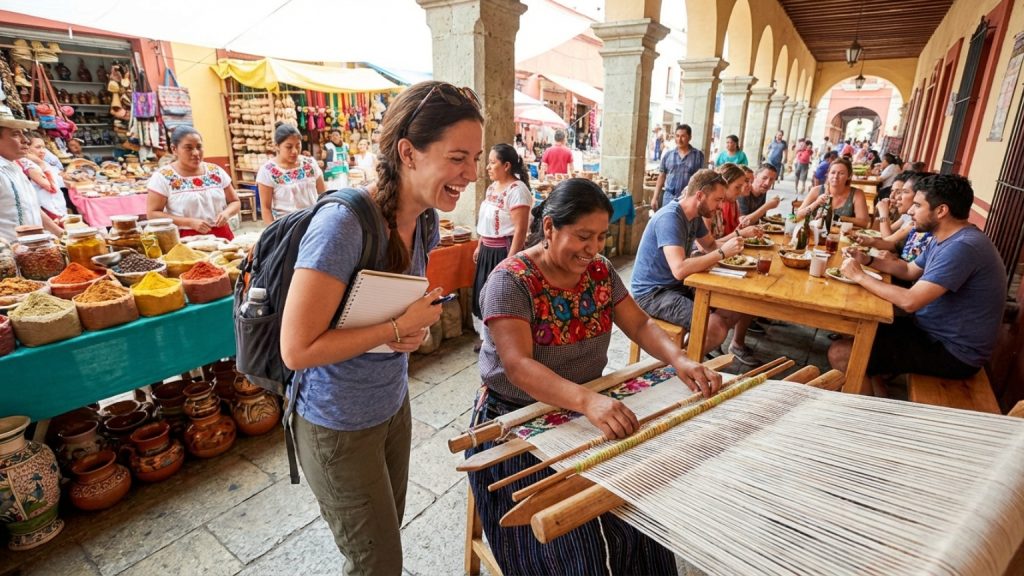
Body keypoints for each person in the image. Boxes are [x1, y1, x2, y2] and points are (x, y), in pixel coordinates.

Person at [469, 178, 722, 575]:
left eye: (601, 237)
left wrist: (681, 360)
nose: (594, 249)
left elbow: (639, 325)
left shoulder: (600, 272)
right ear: (549, 227)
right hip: (518, 420)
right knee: (575, 545)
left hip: (586, 411)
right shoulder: (510, 280)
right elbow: (518, 366)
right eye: (583, 236)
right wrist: (589, 401)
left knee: (642, 517)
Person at [280, 81, 483, 575]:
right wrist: (396, 324)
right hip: (337, 424)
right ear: (408, 153)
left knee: (383, 543)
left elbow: (374, 316)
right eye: (459, 158)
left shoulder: (426, 221)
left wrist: (401, 334)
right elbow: (297, 348)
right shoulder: (343, 225)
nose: (472, 174)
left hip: (391, 407)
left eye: (476, 159)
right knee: (378, 563)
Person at [829, 174, 1006, 390]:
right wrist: (866, 259)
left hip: (952, 351)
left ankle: (867, 420)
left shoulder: (963, 247)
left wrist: (859, 276)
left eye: (917, 205)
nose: (910, 211)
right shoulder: (944, 237)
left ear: (941, 211)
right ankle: (878, 397)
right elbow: (908, 269)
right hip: (930, 330)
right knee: (856, 328)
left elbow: (910, 301)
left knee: (841, 353)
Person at [632, 169, 755, 357]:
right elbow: (680, 269)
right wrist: (722, 253)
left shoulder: (694, 216)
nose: (721, 206)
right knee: (714, 326)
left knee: (733, 308)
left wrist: (736, 242)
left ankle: (685, 354)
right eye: (717, 200)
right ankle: (676, 368)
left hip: (676, 286)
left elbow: (710, 246)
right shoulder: (670, 218)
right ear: (699, 195)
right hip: (652, 293)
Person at [147, 126, 240, 240]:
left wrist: (226, 214)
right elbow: (153, 214)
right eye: (188, 148)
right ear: (174, 149)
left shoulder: (215, 171)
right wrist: (189, 222)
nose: (196, 153)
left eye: (199, 147)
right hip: (185, 239)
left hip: (222, 235)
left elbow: (235, 202)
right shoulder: (163, 177)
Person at [472, 143, 532, 321]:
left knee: (500, 297)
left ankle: (499, 340)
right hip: (487, 251)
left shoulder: (517, 191)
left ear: (506, 166)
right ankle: (486, 338)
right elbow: (487, 221)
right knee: (484, 293)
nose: (488, 167)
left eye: (492, 162)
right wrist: (479, 245)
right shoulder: (492, 187)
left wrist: (510, 260)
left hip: (503, 251)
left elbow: (520, 230)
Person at [0, 110, 62, 243]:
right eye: (16, 134)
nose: (26, 140)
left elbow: (31, 207)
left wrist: (61, 234)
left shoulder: (15, 166)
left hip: (30, 252)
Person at [856, 171, 933, 265]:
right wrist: (879, 214)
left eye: (902, 192)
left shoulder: (917, 224)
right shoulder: (906, 216)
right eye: (892, 191)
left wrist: (884, 214)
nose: (896, 196)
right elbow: (878, 234)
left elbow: (887, 240)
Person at [256, 123, 325, 224]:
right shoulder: (267, 171)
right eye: (289, 147)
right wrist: (274, 235)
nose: (295, 151)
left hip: (315, 224)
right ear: (277, 146)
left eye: (298, 146)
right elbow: (266, 209)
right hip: (287, 228)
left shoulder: (310, 164)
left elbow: (323, 195)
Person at [795, 158, 869, 228]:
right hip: (814, 235)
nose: (836, 176)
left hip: (842, 238)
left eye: (841, 173)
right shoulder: (816, 190)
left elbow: (864, 222)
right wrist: (816, 203)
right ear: (828, 174)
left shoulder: (857, 194)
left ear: (849, 176)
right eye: (833, 172)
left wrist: (838, 218)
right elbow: (797, 215)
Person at [651, 123, 705, 211]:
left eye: (683, 136)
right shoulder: (668, 155)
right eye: (677, 136)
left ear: (690, 137)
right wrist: (655, 197)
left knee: (684, 223)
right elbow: (662, 176)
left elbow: (701, 179)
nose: (679, 139)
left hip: (687, 199)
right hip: (668, 198)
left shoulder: (698, 156)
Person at [20, 133, 67, 219]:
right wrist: (40, 163)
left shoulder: (43, 163)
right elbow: (51, 187)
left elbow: (61, 182)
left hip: (55, 210)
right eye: (38, 147)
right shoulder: (26, 164)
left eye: (43, 147)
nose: (43, 151)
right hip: (44, 213)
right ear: (26, 147)